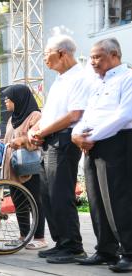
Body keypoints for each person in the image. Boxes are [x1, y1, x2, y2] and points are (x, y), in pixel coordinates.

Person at [28, 34, 90, 263]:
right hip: (49, 140)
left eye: (47, 53)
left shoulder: (80, 77)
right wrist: (35, 131)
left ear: (62, 53)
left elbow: (74, 115)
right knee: (47, 194)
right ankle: (61, 242)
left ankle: (73, 246)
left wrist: (42, 132)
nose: (44, 58)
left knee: (60, 194)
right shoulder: (60, 79)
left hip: (64, 140)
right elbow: (50, 113)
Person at [72, 38, 132, 272]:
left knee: (119, 199)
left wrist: (92, 136)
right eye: (92, 57)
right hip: (92, 144)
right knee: (96, 200)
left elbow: (124, 115)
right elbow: (87, 115)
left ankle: (129, 251)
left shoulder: (127, 78)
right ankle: (105, 249)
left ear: (115, 55)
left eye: (98, 57)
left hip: (117, 142)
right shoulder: (97, 83)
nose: (93, 62)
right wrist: (77, 134)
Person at [2, 84, 47, 250]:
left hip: (30, 166)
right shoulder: (12, 118)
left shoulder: (35, 116)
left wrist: (22, 141)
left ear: (19, 98)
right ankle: (24, 235)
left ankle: (40, 237)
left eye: (9, 98)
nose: (6, 100)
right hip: (13, 168)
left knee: (35, 200)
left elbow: (39, 138)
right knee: (18, 200)